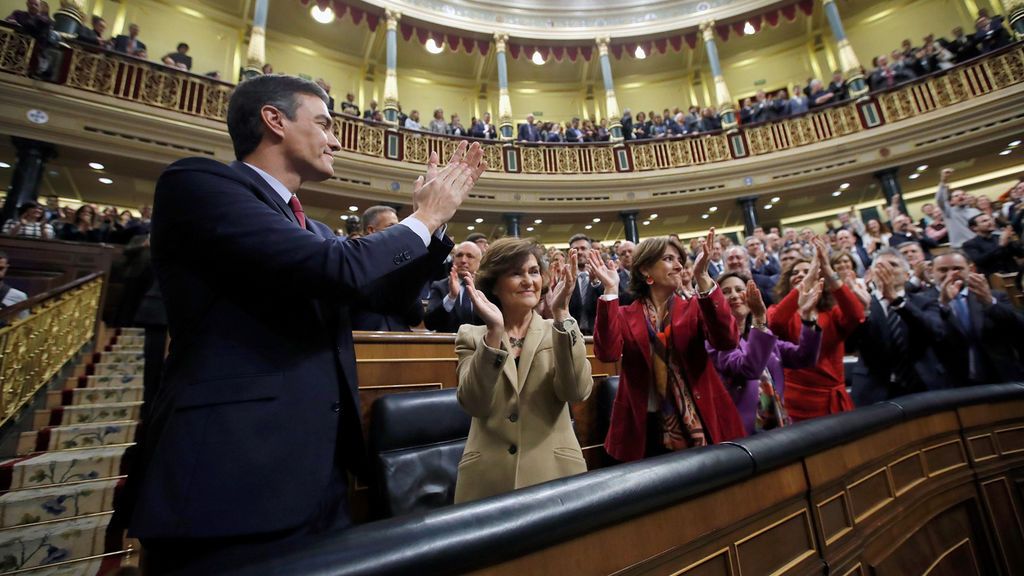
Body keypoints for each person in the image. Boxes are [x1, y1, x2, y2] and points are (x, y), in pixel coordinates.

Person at [125, 74, 486, 574]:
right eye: (323, 123)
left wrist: (434, 226)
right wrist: (421, 220)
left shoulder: (313, 230)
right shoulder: (199, 185)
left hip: (317, 478)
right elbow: (339, 269)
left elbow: (394, 300)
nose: (336, 139)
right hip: (226, 481)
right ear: (274, 120)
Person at [454, 239, 592, 503]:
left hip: (555, 476)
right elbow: (475, 404)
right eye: (516, 273)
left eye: (533, 271)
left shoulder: (560, 330)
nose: (528, 280)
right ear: (494, 284)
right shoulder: (471, 336)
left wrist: (562, 312)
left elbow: (576, 391)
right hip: (487, 481)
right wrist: (494, 333)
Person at [593, 230, 745, 462]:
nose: (678, 266)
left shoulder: (694, 307)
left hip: (700, 418)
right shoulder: (625, 314)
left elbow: (727, 341)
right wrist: (610, 291)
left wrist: (703, 277)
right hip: (644, 428)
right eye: (668, 259)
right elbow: (608, 353)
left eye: (680, 260)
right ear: (645, 270)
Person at [709, 272, 823, 435]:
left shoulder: (764, 337)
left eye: (739, 289)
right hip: (741, 435)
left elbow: (805, 357)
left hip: (778, 428)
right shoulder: (716, 342)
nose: (734, 295)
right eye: (726, 292)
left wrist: (807, 317)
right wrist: (759, 318)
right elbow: (749, 369)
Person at [768, 237, 865, 422]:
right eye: (795, 273)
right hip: (798, 402)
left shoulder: (832, 312)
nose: (801, 275)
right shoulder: (777, 310)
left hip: (833, 401)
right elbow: (775, 324)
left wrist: (828, 270)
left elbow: (856, 315)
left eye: (807, 271)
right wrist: (809, 277)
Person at [849, 249, 943, 406]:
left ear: (907, 275)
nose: (887, 269)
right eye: (880, 265)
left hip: (923, 385)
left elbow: (934, 332)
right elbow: (849, 345)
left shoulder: (925, 301)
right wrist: (863, 312)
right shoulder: (860, 305)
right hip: (873, 391)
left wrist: (896, 300)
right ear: (871, 274)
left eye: (893, 264)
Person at [919, 251, 1024, 386]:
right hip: (950, 380)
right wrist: (942, 305)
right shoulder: (920, 301)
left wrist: (989, 303)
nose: (951, 274)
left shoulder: (995, 296)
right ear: (931, 272)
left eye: (957, 268)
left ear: (971, 269)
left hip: (999, 375)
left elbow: (1018, 328)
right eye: (943, 270)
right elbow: (928, 334)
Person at [424, 241, 485, 332]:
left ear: (480, 262)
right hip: (447, 344)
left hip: (479, 343)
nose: (463, 260)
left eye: (470, 256)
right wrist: (451, 297)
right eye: (459, 255)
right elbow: (430, 324)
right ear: (453, 260)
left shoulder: (486, 287)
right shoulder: (440, 286)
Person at [935, 167, 980, 248]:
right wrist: (943, 180)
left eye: (963, 195)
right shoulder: (948, 212)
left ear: (967, 197)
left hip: (977, 245)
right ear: (951, 201)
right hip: (960, 247)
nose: (960, 197)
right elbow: (940, 199)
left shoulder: (975, 211)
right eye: (956, 196)